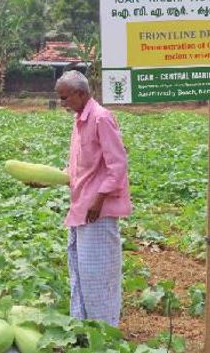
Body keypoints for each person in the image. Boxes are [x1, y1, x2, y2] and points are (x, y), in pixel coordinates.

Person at [53, 69, 132, 327]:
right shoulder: (79, 121)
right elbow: (78, 170)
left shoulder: (101, 118)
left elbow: (117, 165)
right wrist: (44, 182)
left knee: (99, 273)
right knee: (80, 270)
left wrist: (98, 200)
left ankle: (105, 329)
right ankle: (83, 325)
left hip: (97, 210)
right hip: (80, 208)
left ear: (81, 93)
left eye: (65, 98)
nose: (62, 104)